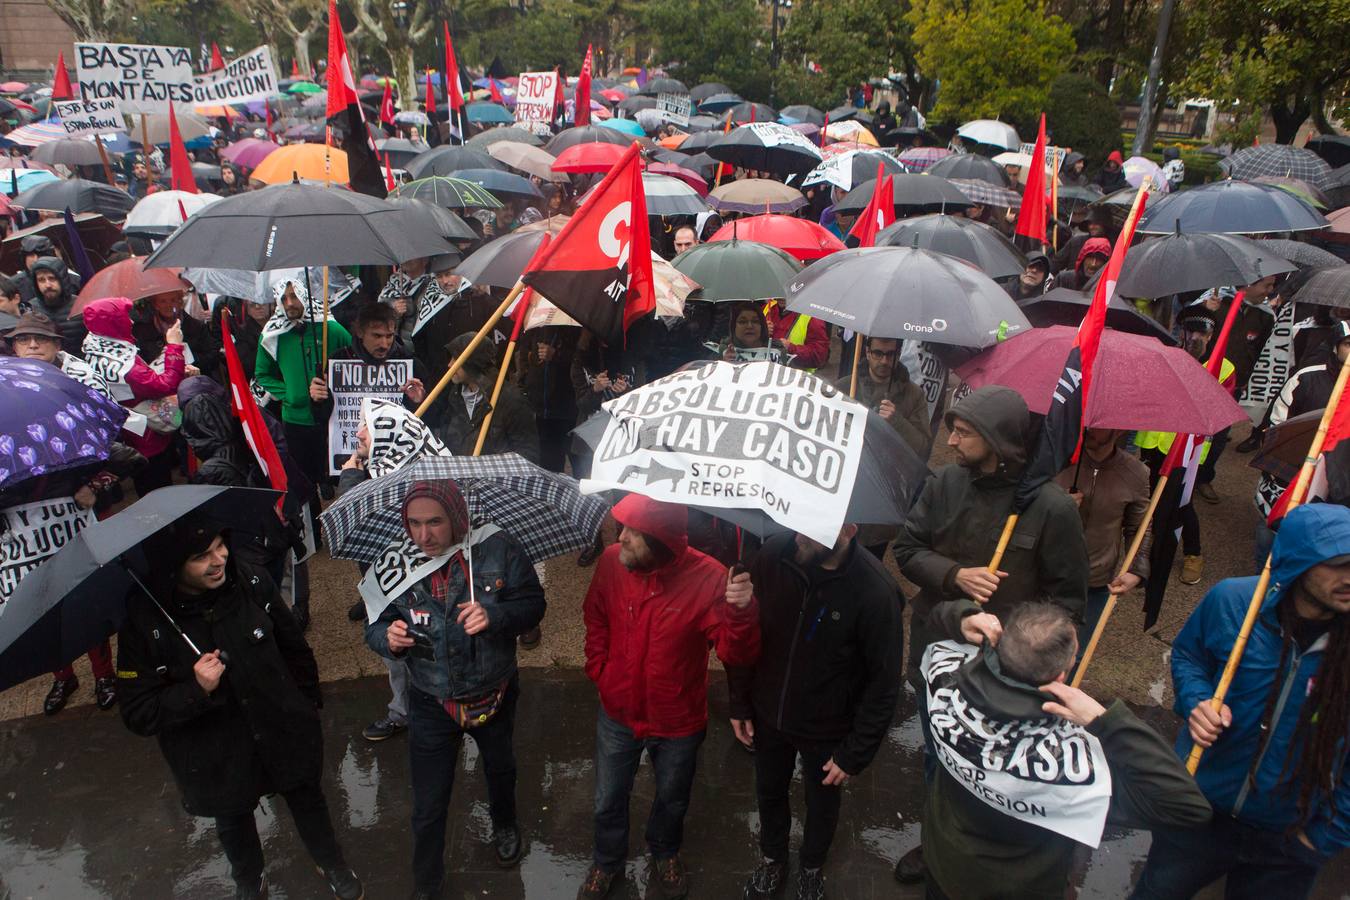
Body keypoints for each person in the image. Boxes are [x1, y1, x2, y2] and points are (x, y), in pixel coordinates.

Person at [891, 385, 1089, 884]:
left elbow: (1068, 603)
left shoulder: (1052, 508)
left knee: (997, 769)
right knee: (940, 754)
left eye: (962, 432)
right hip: (936, 649)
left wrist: (1028, 647)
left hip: (1008, 675)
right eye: (952, 430)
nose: (951, 442)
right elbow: (908, 549)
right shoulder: (942, 484)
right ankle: (936, 843)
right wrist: (954, 575)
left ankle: (993, 854)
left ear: (997, 440)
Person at [116, 517, 363, 900]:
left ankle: (331, 862)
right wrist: (195, 689)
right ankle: (250, 882)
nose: (220, 559)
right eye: (202, 556)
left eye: (220, 546)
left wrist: (308, 706)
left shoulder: (250, 580)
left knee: (307, 798)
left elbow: (293, 647)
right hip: (216, 755)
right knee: (232, 819)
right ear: (174, 565)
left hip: (282, 728)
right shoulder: (146, 620)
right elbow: (137, 711)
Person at [920, 601, 1211, 900]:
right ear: (1061, 676)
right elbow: (1187, 806)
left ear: (998, 639)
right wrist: (1107, 721)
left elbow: (934, 617)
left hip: (942, 859)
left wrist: (960, 617)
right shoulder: (1073, 762)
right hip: (1017, 888)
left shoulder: (947, 679)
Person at [1131, 503, 1350, 900]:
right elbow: (1188, 656)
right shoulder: (1233, 602)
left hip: (1290, 838)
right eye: (1340, 564)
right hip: (1200, 813)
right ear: (1300, 560)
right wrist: (1197, 701)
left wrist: (1325, 836)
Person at [365, 479, 546, 897]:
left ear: (458, 518)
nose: (423, 536)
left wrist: (495, 615)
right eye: (413, 523)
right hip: (429, 699)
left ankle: (505, 825)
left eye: (435, 523)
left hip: (494, 689)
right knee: (428, 803)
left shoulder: (499, 546)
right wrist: (386, 639)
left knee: (501, 770)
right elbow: (372, 623)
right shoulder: (396, 559)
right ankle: (426, 881)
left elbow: (534, 604)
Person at [577, 495, 760, 900]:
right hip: (618, 712)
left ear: (659, 540)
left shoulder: (712, 578)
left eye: (632, 533)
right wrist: (600, 671)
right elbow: (596, 615)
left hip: (678, 720)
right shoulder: (611, 562)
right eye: (621, 527)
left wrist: (742, 612)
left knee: (673, 798)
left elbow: (737, 653)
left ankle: (665, 850)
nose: (619, 537)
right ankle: (607, 861)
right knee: (607, 798)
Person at [728, 523, 903, 900]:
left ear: (848, 529)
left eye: (810, 528)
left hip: (828, 728)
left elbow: (884, 683)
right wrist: (740, 700)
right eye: (797, 524)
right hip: (768, 712)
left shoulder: (876, 591)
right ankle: (773, 857)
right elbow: (747, 636)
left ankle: (811, 866)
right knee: (769, 790)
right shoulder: (775, 553)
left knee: (822, 802)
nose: (798, 537)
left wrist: (855, 753)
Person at [1136, 307, 1236, 586]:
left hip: (1188, 449)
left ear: (1212, 334)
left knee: (1182, 503)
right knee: (1153, 496)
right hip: (1153, 441)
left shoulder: (1223, 367)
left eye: (1201, 331)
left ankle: (1193, 553)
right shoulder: (1166, 356)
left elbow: (1219, 415)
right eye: (1189, 330)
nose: (1194, 336)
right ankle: (1153, 550)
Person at [254, 277, 352, 501]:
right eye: (284, 298)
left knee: (331, 477)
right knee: (302, 481)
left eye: (294, 296)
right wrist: (289, 393)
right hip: (294, 419)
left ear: (304, 296)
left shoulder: (330, 328)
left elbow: (353, 358)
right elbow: (262, 374)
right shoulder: (272, 336)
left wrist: (336, 382)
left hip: (330, 418)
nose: (290, 303)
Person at [81, 296, 188, 496]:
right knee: (158, 489)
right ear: (113, 323)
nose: (130, 322)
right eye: (124, 318)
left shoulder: (96, 348)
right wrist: (174, 347)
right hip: (147, 437)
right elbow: (164, 385)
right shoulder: (124, 365)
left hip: (131, 432)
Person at [836, 336, 931, 558]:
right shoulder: (844, 387)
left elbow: (922, 449)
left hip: (883, 494)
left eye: (890, 354)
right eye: (878, 353)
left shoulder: (913, 395)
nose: (884, 360)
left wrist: (896, 421)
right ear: (867, 352)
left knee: (869, 557)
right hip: (845, 488)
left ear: (898, 355)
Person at [1054, 428, 1152, 642]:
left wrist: (1137, 568)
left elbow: (1139, 526)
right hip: (1048, 573)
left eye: (1100, 425)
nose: (1089, 427)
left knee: (1076, 651)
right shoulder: (1057, 460)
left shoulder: (1136, 473)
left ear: (1118, 431)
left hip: (1096, 580)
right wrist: (1056, 505)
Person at [429, 330, 539, 462]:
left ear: (472, 362)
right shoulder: (454, 396)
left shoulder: (510, 400)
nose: (450, 364)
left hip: (495, 479)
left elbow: (528, 454)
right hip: (460, 477)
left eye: (456, 358)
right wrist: (418, 401)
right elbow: (439, 432)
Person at [517, 325, 577, 474]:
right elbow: (524, 352)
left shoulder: (575, 323)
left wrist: (556, 355)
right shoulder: (535, 322)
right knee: (549, 466)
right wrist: (524, 380)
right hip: (541, 408)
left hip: (569, 407)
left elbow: (583, 359)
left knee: (580, 464)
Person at [25, 256, 84, 355]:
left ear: (63, 279)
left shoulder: (81, 305)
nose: (47, 285)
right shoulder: (30, 310)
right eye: (41, 280)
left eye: (52, 278)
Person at [761, 299, 829, 372]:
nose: (781, 298)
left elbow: (819, 357)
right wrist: (760, 331)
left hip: (796, 378)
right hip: (764, 374)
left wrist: (791, 348)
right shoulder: (767, 308)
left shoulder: (812, 316)